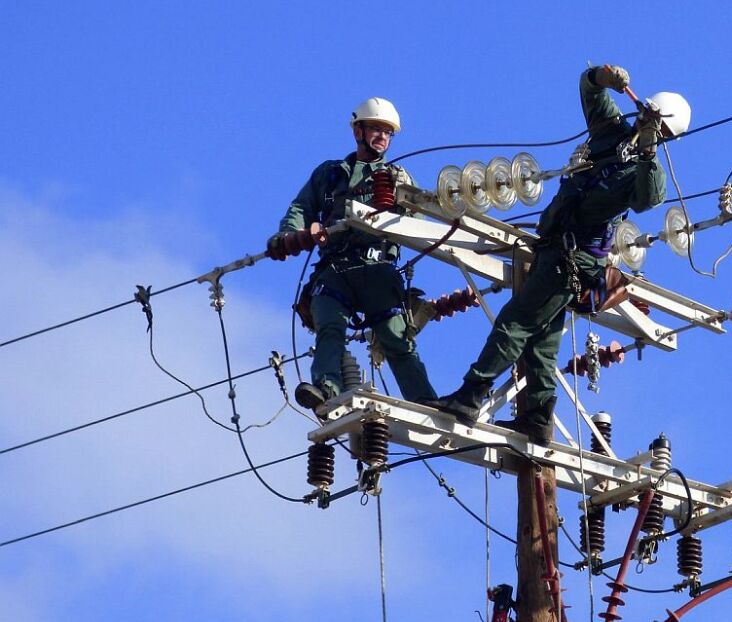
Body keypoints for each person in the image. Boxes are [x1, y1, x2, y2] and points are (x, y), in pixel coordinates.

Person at [435, 65, 691, 443]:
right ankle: (538, 418)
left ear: (666, 137)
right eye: (648, 119)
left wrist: (650, 149)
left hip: (574, 258)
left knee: (517, 320)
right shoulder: (611, 131)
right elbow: (589, 90)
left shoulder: (645, 168)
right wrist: (604, 77)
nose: (647, 126)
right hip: (556, 247)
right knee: (542, 338)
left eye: (659, 129)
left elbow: (648, 200)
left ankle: (471, 394)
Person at [267, 97, 438, 412]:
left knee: (396, 339)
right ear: (358, 131)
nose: (382, 137)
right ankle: (326, 388)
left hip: (378, 270)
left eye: (388, 133)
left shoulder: (397, 177)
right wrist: (288, 234)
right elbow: (302, 208)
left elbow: (419, 226)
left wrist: (409, 197)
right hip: (336, 268)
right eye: (376, 129)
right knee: (329, 326)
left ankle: (425, 401)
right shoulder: (332, 174)